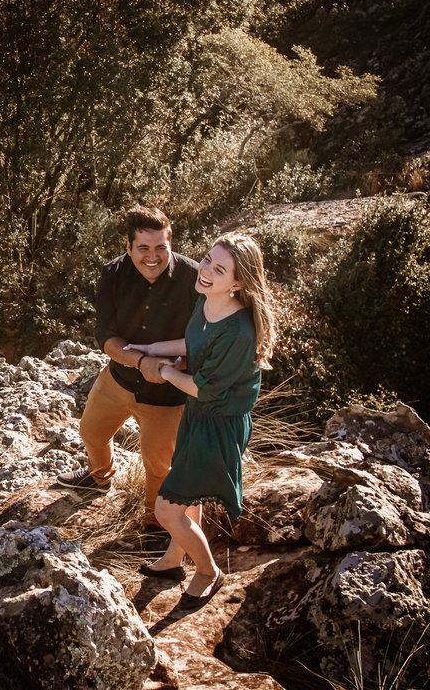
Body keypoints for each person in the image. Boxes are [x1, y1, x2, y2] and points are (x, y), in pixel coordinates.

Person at [129, 232, 276, 609]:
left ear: (239, 283)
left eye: (219, 268)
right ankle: (175, 560)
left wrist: (163, 372)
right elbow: (191, 342)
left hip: (218, 424)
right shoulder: (208, 301)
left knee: (167, 509)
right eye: (208, 259)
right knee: (187, 495)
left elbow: (206, 388)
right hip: (198, 415)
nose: (206, 270)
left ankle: (208, 571)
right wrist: (150, 349)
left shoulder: (239, 332)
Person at [56, 205, 199, 521]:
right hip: (119, 379)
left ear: (170, 243)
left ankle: (156, 525)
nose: (153, 256)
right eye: (143, 248)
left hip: (168, 396)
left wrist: (168, 365)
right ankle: (98, 479)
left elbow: (207, 337)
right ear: (128, 247)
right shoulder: (114, 274)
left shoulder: (194, 278)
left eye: (161, 247)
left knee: (158, 467)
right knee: (91, 432)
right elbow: (105, 336)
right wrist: (142, 362)